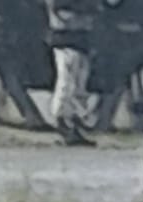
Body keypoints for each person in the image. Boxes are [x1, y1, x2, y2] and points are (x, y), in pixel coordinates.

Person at [47, 0, 101, 145]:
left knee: (78, 85)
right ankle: (62, 121)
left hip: (80, 40)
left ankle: (74, 124)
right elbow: (60, 10)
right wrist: (84, 12)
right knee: (66, 82)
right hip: (65, 39)